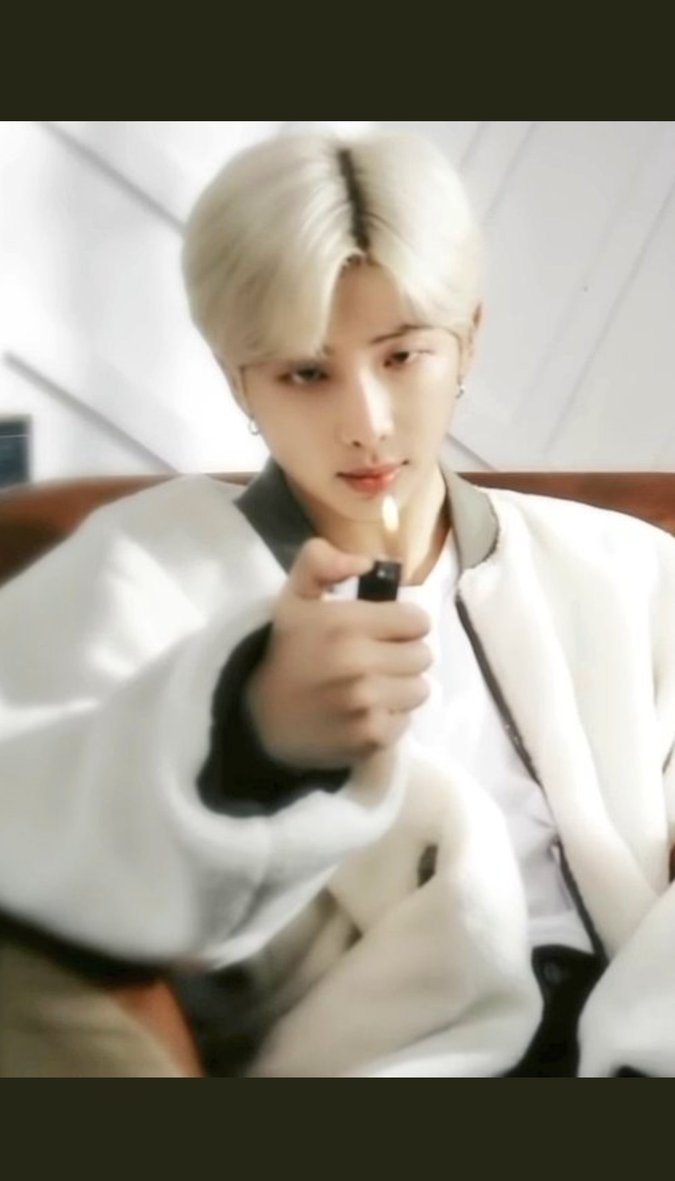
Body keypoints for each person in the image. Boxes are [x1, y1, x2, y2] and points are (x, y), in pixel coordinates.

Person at [1, 128, 674, 1077]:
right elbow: (30, 823)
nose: (366, 424)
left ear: (468, 339)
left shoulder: (627, 571)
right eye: (307, 373)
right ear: (237, 377)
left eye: (401, 357)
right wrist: (251, 735)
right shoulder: (140, 570)